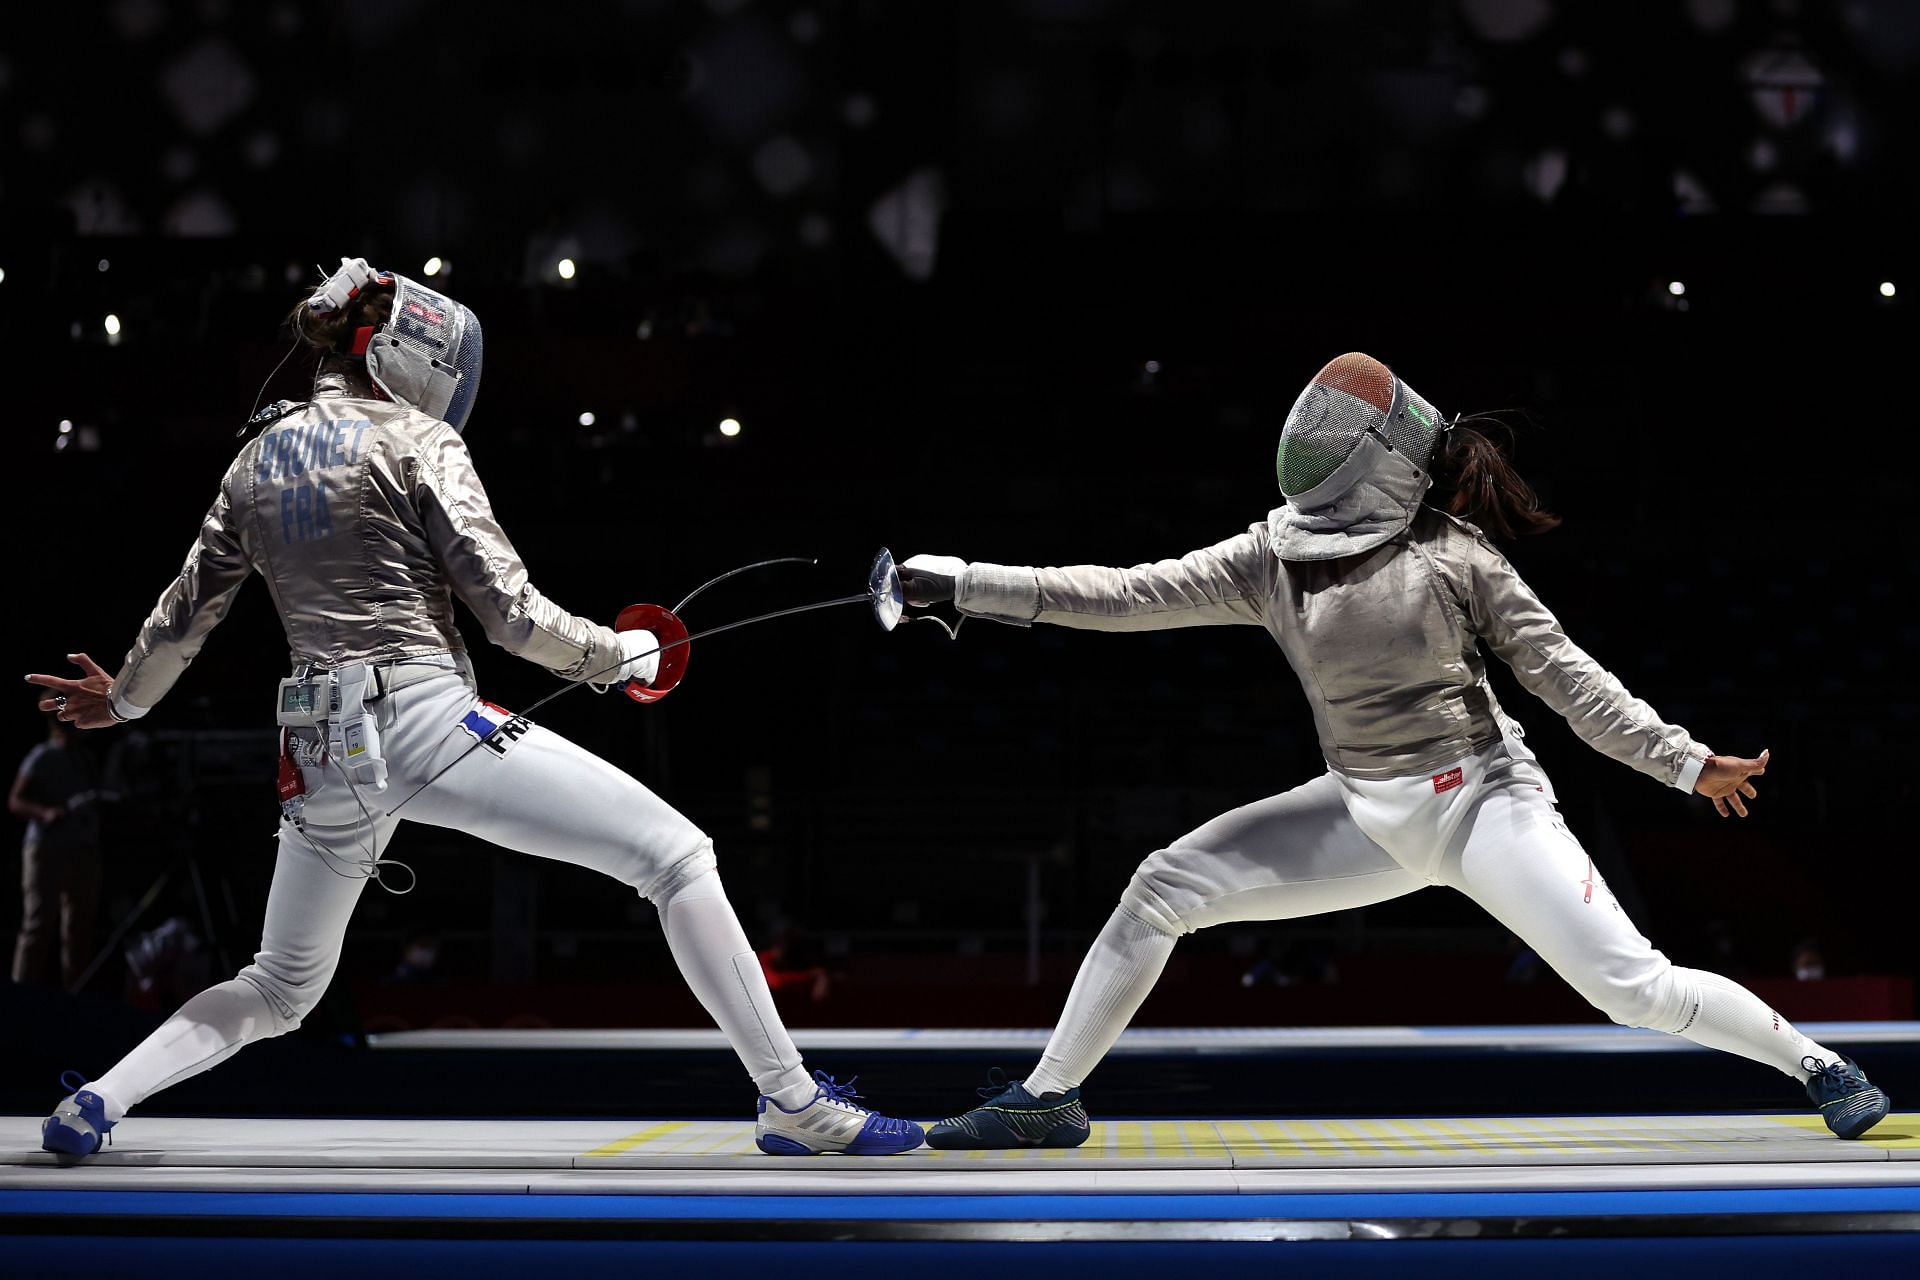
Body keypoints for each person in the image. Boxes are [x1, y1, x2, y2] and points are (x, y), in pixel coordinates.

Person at [28, 257, 920, 1158]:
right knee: (679, 856)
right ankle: (791, 1101)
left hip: (314, 749)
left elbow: (185, 615)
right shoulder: (420, 441)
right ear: (411, 354)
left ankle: (96, 1102)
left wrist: (127, 701)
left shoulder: (255, 460)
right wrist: (622, 656)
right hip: (418, 718)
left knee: (281, 985)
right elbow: (513, 616)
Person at [898, 352, 1889, 1148]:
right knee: (1164, 884)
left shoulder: (1453, 555)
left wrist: (1680, 759)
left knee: (1633, 989)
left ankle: (1817, 1063)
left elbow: (1564, 676)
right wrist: (967, 583)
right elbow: (1117, 595)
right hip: (1363, 810)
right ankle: (1047, 1095)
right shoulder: (1268, 557)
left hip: (1482, 803)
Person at [9, 712, 104, 989]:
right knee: (38, 924)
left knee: (78, 928)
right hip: (48, 849)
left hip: (82, 848)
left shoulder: (85, 759)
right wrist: (45, 812)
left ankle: (75, 994)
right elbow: (15, 800)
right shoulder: (43, 756)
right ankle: (22, 993)